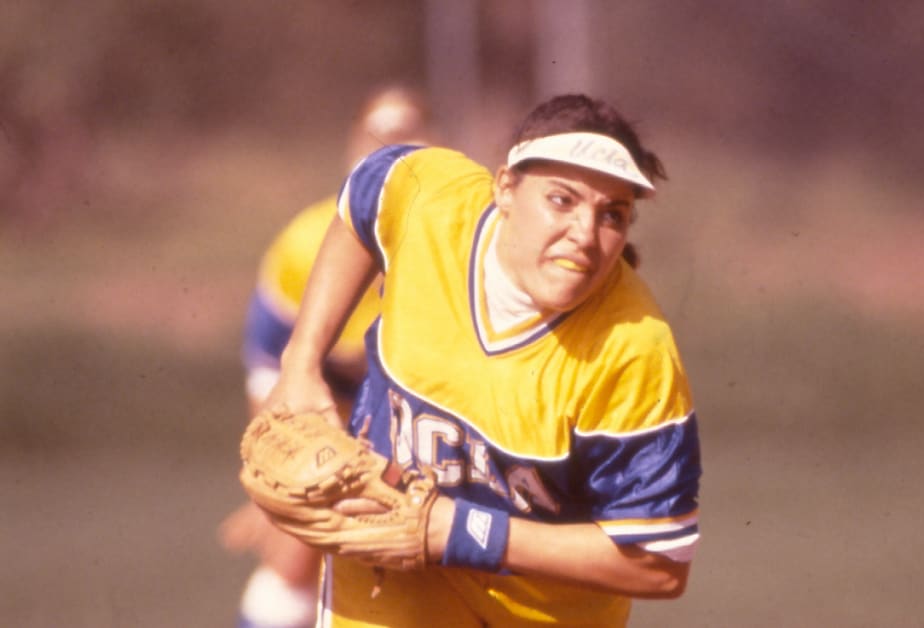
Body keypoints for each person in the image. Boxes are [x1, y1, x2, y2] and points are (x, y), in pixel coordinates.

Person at [263, 93, 701, 627]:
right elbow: (365, 199)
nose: (586, 235)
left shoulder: (634, 349)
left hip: (544, 612)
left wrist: (456, 531)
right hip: (390, 571)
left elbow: (659, 566)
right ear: (505, 188)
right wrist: (302, 359)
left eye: (613, 213)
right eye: (562, 200)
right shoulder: (431, 199)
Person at [219, 84, 435, 628]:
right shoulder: (307, 241)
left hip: (425, 417)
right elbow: (270, 361)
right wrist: (276, 471)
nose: (389, 150)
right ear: (351, 145)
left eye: (407, 134)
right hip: (331, 406)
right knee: (294, 555)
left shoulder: (451, 244)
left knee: (408, 559)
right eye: (376, 136)